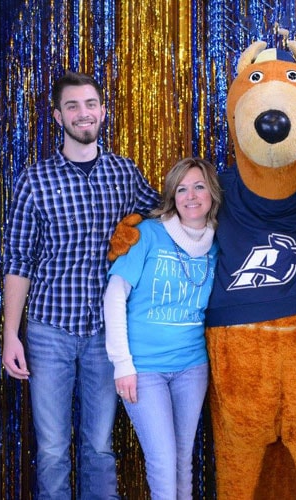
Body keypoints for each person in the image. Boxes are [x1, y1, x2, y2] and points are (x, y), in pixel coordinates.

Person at [2, 71, 160, 499]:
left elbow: (167, 218)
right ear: (57, 116)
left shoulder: (124, 173)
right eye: (72, 106)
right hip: (48, 330)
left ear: (103, 111)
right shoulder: (34, 181)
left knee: (99, 447)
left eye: (90, 104)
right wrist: (10, 335)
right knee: (52, 449)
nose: (83, 113)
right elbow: (17, 261)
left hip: (105, 336)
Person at [103, 157, 221, 499]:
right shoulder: (148, 235)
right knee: (163, 461)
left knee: (183, 462)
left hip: (192, 367)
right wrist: (122, 364)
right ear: (172, 196)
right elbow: (114, 297)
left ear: (211, 193)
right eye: (181, 189)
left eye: (199, 186)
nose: (191, 196)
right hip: (145, 369)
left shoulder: (216, 244)